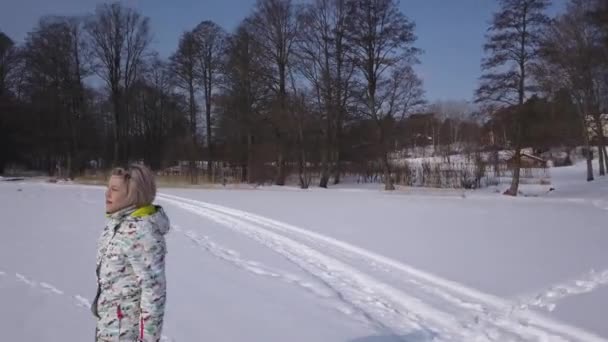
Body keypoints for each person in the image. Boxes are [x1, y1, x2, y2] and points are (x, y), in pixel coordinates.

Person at [92, 164, 170, 341]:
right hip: (109, 327)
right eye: (107, 188)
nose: (107, 194)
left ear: (132, 195)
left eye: (114, 189)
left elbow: (154, 294)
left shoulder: (142, 233)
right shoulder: (117, 223)